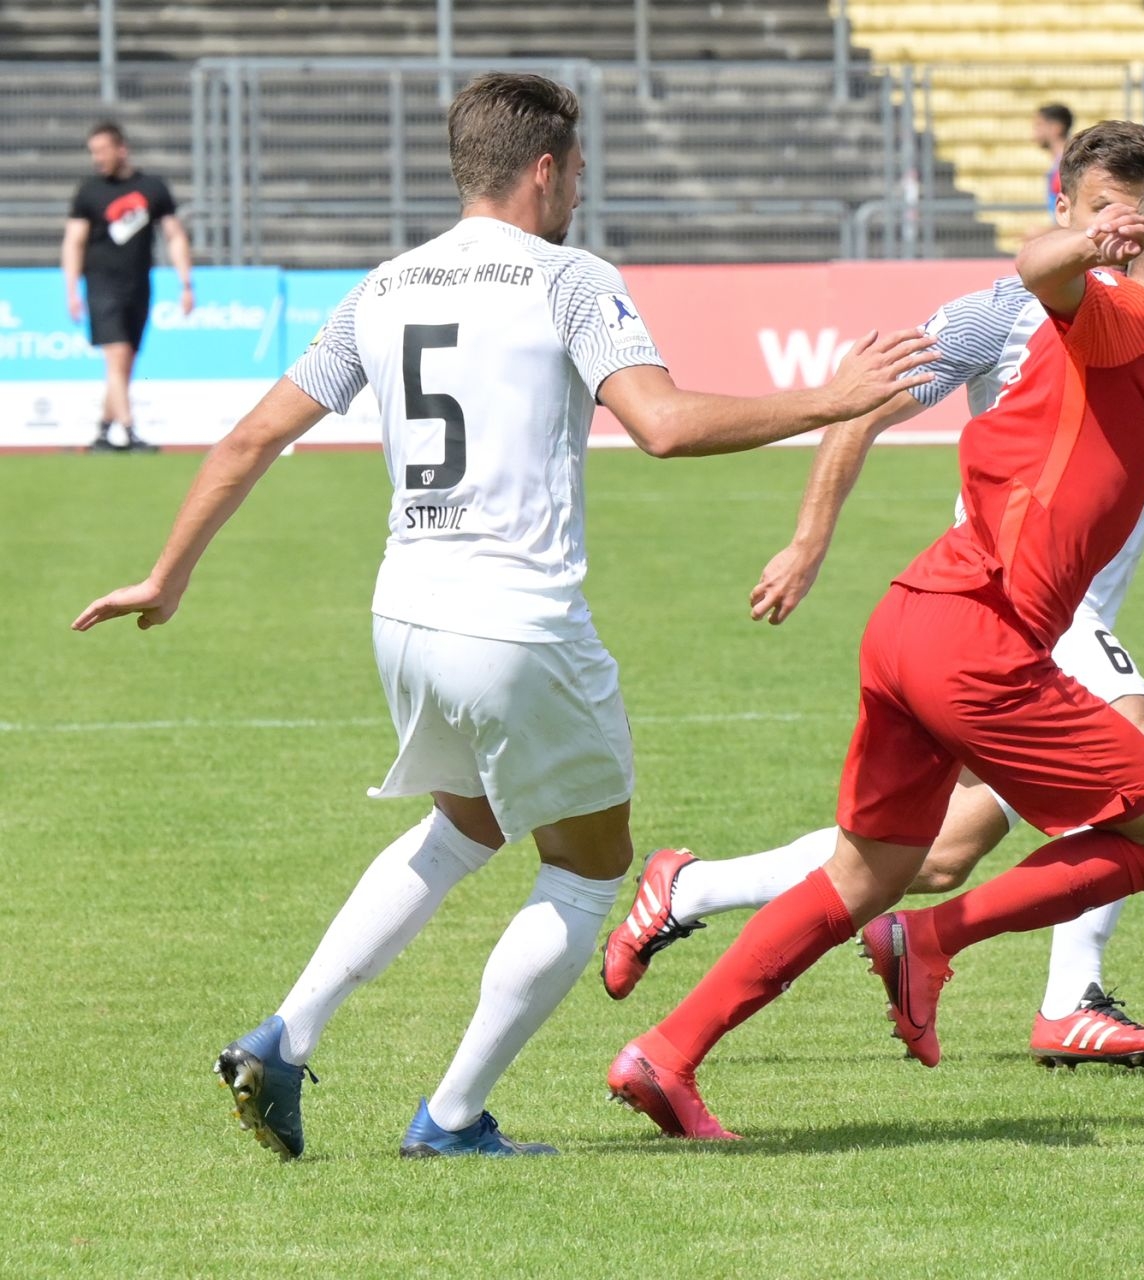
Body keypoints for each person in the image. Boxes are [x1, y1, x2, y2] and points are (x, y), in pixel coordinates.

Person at [71, 72, 934, 1160]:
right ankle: (451, 1116)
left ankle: (286, 1037)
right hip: (515, 621)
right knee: (590, 866)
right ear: (544, 169)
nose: (582, 188)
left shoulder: (382, 286)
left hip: (404, 614)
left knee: (465, 823)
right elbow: (663, 424)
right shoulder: (570, 279)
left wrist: (167, 574)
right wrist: (830, 397)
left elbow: (251, 436)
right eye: (578, 170)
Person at [606, 169, 1144, 1140]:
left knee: (866, 874)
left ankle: (666, 1052)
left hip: (913, 620)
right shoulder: (1126, 319)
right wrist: (1089, 245)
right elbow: (1039, 269)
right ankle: (934, 942)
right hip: (980, 640)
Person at [63, 121, 194, 453]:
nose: (97, 158)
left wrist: (185, 283)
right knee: (117, 355)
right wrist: (71, 289)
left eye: (102, 150)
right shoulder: (89, 191)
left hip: (138, 285)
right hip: (101, 284)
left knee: (126, 361)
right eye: (93, 152)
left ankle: (103, 432)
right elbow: (74, 241)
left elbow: (174, 235)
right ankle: (129, 430)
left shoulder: (152, 188)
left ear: (122, 149)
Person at [1035, 104, 1074, 206]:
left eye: (1039, 125)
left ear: (1056, 128)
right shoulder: (1058, 164)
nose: (1034, 132)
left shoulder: (1068, 165)